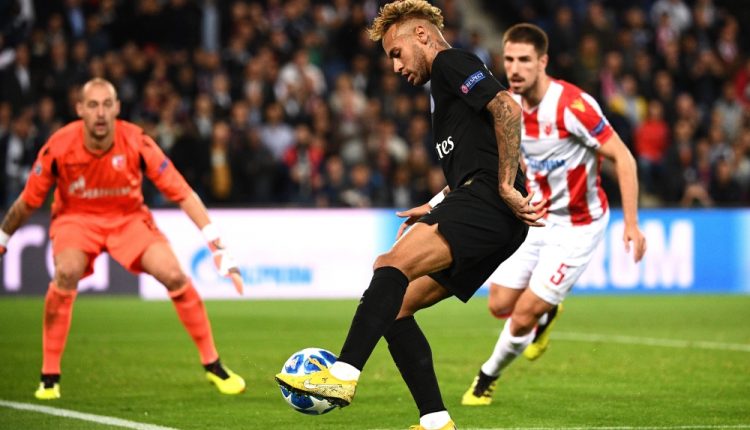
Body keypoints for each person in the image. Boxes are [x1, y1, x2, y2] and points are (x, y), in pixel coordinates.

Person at [275, 2, 546, 429]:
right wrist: (437, 202)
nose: (395, 67)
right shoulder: (444, 90)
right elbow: (479, 154)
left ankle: (342, 375)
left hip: (488, 202)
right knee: (395, 307)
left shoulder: (451, 63)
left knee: (389, 264)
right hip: (489, 210)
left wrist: (507, 185)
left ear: (421, 35)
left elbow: (507, 109)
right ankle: (435, 420)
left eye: (396, 53)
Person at [0, 78, 246, 400]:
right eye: (93, 105)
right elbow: (28, 201)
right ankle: (49, 376)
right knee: (66, 272)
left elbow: (182, 192)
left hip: (128, 219)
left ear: (117, 107)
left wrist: (217, 245)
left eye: (107, 104)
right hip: (77, 219)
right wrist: (3, 237)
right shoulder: (59, 146)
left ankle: (213, 364)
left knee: (174, 275)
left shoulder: (137, 141)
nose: (100, 113)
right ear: (79, 109)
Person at [461, 23, 647, 406]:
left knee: (523, 314)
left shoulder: (572, 106)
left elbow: (623, 158)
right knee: (498, 305)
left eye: (524, 60)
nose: (515, 68)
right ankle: (548, 311)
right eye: (509, 59)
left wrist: (631, 223)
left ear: (542, 62)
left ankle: (486, 378)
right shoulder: (507, 106)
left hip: (578, 226)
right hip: (537, 218)